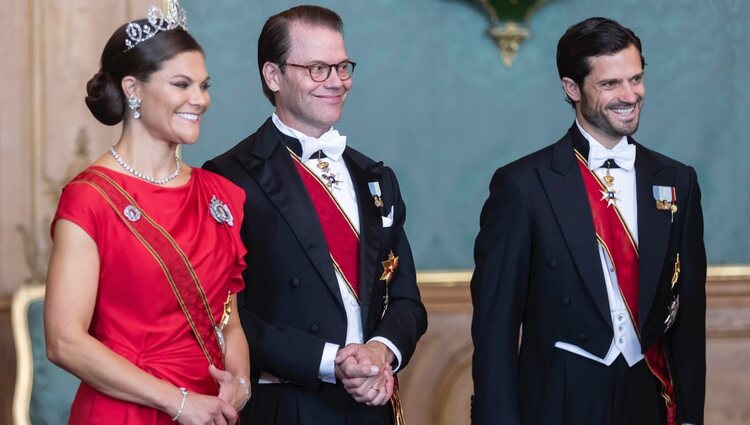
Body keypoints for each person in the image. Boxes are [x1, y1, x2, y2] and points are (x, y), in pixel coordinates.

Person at [470, 17, 706, 425]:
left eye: (636, 79)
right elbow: (495, 329)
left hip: (646, 395)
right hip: (559, 398)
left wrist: (689, 417)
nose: (629, 95)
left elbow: (688, 320)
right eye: (610, 84)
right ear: (572, 88)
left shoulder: (676, 181)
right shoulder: (523, 186)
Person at [203, 5, 427, 424]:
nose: (338, 82)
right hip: (288, 406)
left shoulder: (375, 177)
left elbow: (407, 300)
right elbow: (225, 314)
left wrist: (381, 351)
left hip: (373, 405)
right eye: (318, 69)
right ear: (273, 76)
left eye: (343, 67)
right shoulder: (228, 177)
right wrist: (330, 361)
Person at [44, 1, 251, 424]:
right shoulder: (90, 198)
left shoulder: (221, 196)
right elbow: (64, 341)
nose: (200, 100)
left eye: (204, 85)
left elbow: (227, 321)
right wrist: (177, 402)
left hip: (209, 413)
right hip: (124, 411)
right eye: (181, 84)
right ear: (134, 89)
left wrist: (240, 382)